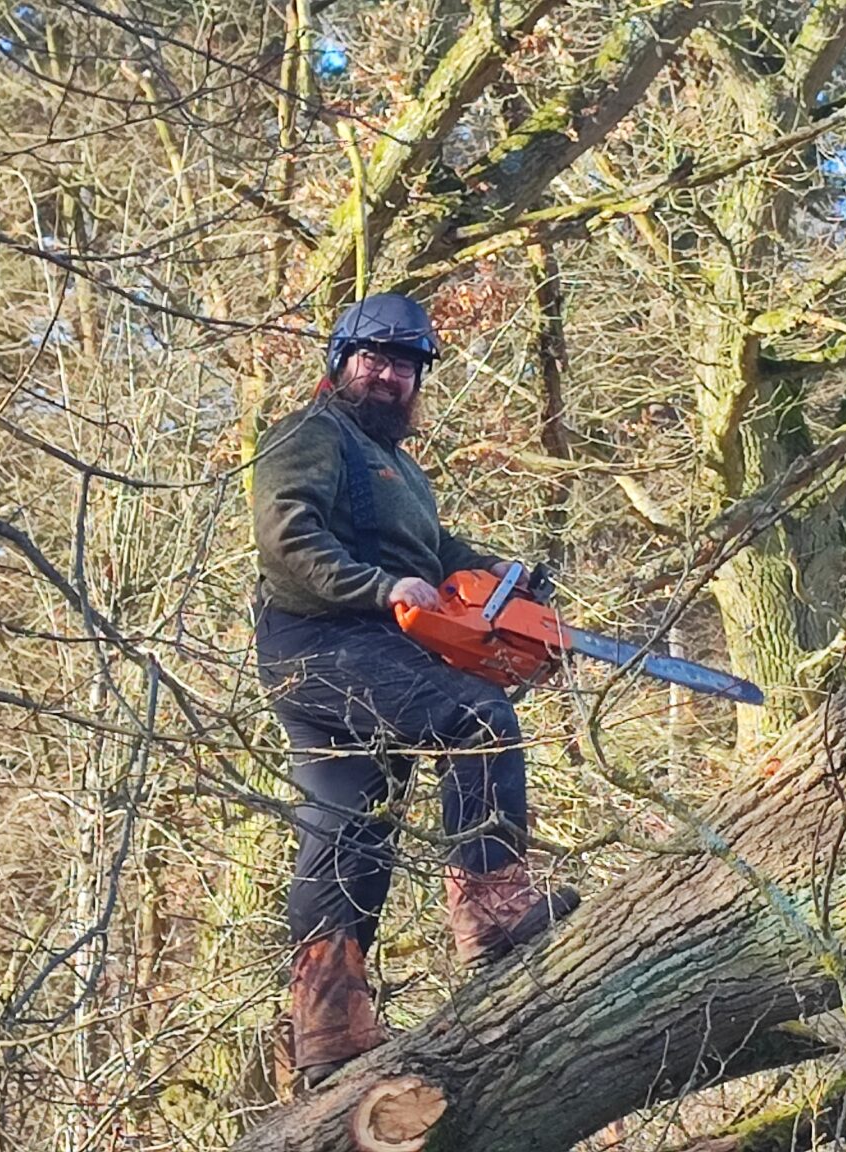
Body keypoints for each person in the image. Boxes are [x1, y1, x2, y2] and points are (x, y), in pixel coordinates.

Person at [250, 292, 576, 1087]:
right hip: (321, 639)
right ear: (341, 361)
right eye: (376, 358)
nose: (389, 375)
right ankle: (492, 911)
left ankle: (327, 1026)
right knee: (477, 714)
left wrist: (493, 574)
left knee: (352, 829)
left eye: (404, 364)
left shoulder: (399, 467)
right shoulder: (307, 434)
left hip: (360, 646)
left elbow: (430, 549)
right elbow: (286, 535)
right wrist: (380, 587)